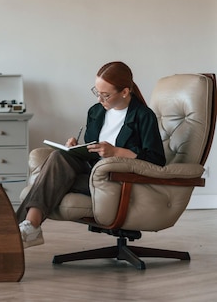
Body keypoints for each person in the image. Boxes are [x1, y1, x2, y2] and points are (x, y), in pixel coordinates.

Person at [16, 61, 165, 248]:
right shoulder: (95, 112)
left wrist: (116, 152)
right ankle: (29, 226)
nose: (99, 100)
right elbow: (92, 151)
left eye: (105, 95)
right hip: (92, 174)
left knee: (48, 181)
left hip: (120, 181)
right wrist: (76, 148)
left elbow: (156, 160)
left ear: (125, 92)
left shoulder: (143, 116)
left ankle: (16, 231)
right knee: (58, 157)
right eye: (97, 93)